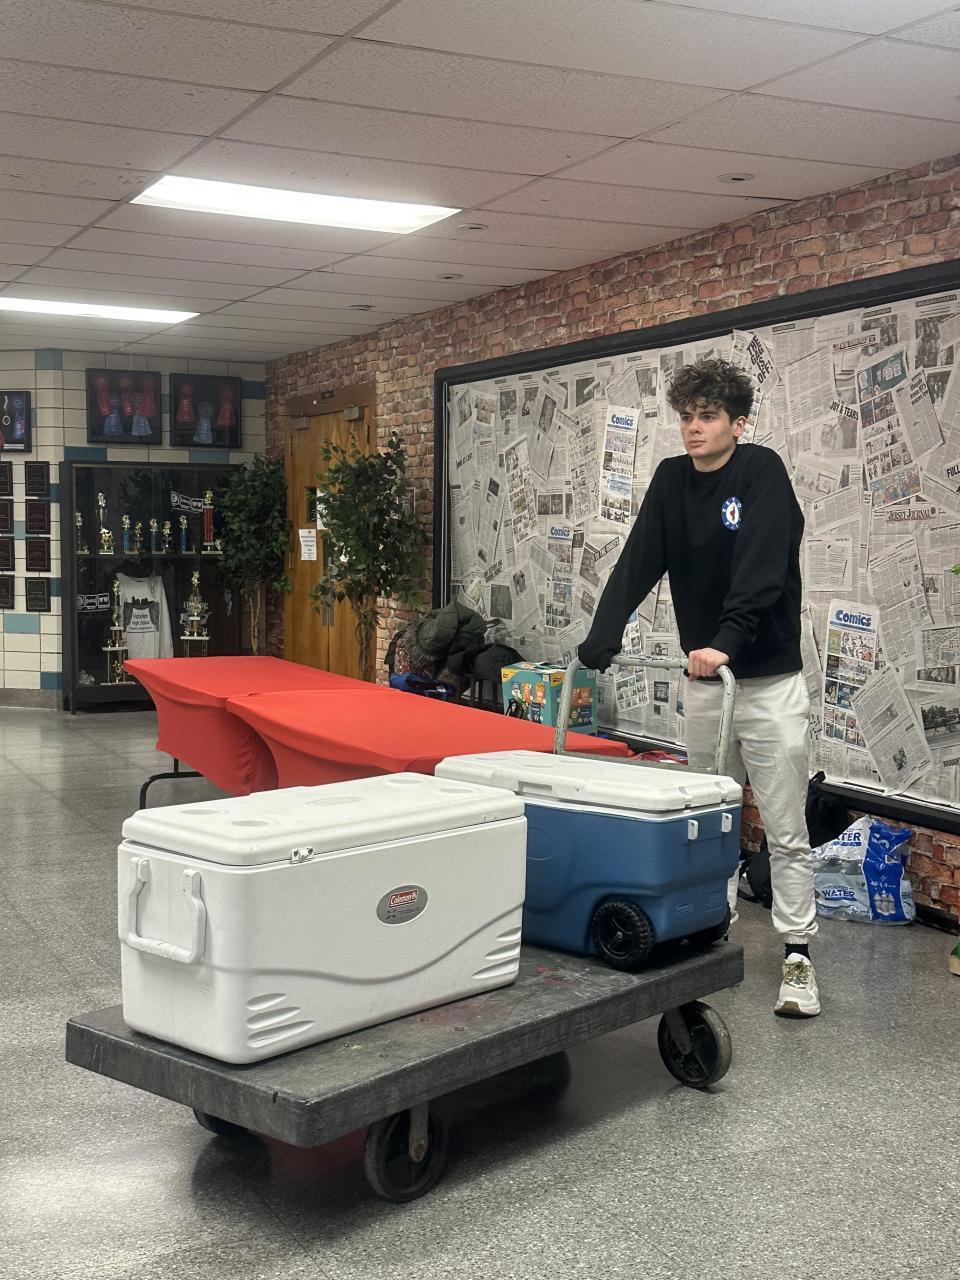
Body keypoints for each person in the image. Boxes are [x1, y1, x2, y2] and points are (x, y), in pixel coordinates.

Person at [578, 358, 820, 1018]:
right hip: (710, 685)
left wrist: (727, 641)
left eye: (707, 417)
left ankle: (798, 953)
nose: (693, 428)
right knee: (705, 819)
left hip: (766, 682)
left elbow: (762, 568)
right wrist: (603, 634)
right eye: (686, 417)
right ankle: (708, 927)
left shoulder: (761, 472)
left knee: (785, 826)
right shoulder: (671, 479)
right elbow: (639, 559)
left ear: (737, 423)